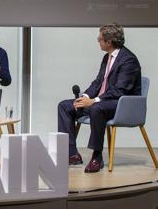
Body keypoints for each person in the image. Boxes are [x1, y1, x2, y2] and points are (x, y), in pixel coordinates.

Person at [57, 23, 141, 173]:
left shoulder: (129, 60)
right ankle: (72, 154)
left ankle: (97, 157)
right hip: (102, 101)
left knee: (97, 109)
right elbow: (98, 82)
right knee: (64, 105)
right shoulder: (106, 57)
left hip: (121, 105)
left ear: (109, 42)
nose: (98, 40)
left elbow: (120, 90)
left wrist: (94, 101)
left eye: (100, 38)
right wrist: (85, 97)